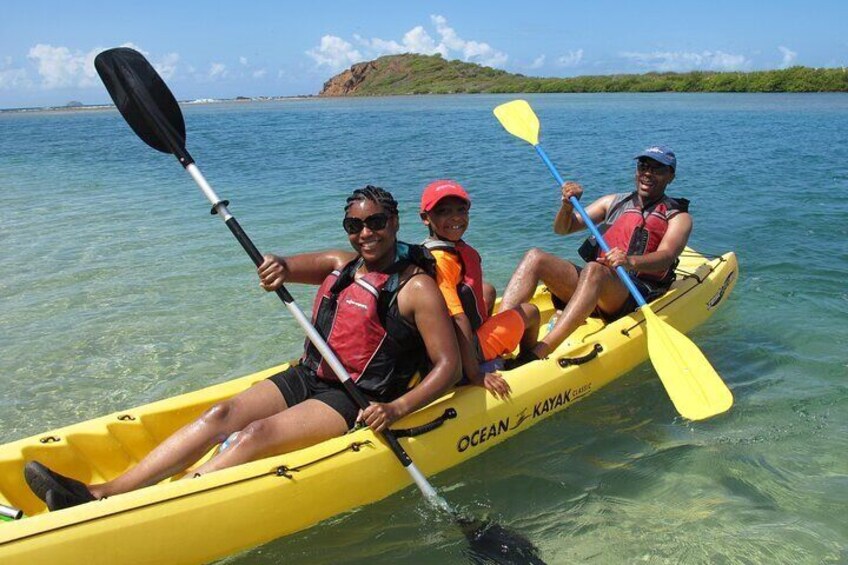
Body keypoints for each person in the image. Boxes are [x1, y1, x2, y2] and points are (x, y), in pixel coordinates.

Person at [24, 185, 460, 511]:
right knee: (221, 416)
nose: (366, 233)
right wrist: (276, 267)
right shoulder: (339, 264)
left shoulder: (416, 287)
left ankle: (159, 504)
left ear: (395, 222)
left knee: (254, 435)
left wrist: (396, 409)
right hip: (310, 374)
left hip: (355, 397)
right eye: (355, 225)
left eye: (376, 222)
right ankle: (102, 492)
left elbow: (448, 367)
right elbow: (285, 266)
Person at [498, 145, 692, 368]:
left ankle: (538, 352)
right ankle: (497, 335)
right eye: (643, 166)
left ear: (671, 176)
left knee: (594, 269)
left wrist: (630, 261)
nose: (647, 173)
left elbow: (667, 255)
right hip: (598, 284)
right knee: (535, 257)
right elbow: (563, 228)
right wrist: (567, 206)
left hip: (633, 291)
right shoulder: (614, 202)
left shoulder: (678, 216)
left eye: (658, 169)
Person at [419, 180, 540, 399]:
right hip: (460, 351)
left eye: (461, 210)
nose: (455, 217)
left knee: (487, 290)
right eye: (444, 211)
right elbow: (457, 319)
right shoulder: (440, 260)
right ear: (426, 218)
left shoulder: (434, 249)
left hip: (453, 341)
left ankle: (488, 348)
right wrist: (475, 374)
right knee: (530, 312)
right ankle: (525, 362)